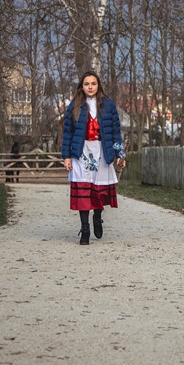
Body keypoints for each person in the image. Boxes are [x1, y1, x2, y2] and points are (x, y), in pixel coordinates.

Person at [61, 71, 127, 245]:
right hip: (80, 151)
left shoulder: (108, 105)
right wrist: (66, 156)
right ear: (81, 86)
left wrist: (120, 154)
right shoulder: (74, 105)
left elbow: (115, 133)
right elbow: (67, 133)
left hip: (101, 150)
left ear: (98, 85)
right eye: (86, 84)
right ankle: (85, 229)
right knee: (83, 190)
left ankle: (97, 217)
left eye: (93, 83)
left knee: (98, 190)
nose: (90, 87)